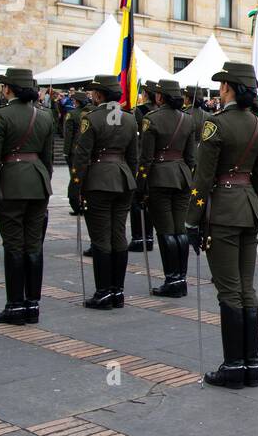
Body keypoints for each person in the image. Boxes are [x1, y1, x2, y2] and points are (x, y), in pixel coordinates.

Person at [185, 62, 258, 387]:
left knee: (229, 291)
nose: (220, 90)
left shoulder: (215, 125)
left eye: (222, 85)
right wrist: (254, 208)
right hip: (249, 208)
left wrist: (193, 219)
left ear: (229, 88)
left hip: (222, 209)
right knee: (247, 288)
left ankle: (234, 366)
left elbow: (203, 178)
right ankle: (252, 364)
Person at [0, 68, 55, 323]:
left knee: (13, 245)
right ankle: (32, 305)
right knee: (34, 245)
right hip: (38, 183)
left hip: (10, 185)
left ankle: (15, 306)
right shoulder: (45, 117)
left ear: (9, 89)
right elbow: (47, 160)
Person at [71, 74, 139, 309]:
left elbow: (82, 155)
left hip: (99, 180)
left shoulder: (92, 118)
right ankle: (117, 291)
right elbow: (134, 157)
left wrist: (76, 184)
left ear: (99, 95)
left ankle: (103, 292)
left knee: (101, 238)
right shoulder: (130, 119)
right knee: (118, 235)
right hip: (123, 179)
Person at [140, 79, 197, 297]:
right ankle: (181, 278)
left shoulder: (151, 119)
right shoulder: (188, 120)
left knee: (165, 231)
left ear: (159, 97)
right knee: (179, 230)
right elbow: (191, 158)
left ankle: (172, 279)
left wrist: (141, 186)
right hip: (182, 176)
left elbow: (146, 158)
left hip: (160, 177)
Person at [128, 84, 155, 254]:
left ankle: (139, 237)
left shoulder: (140, 111)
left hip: (143, 158)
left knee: (137, 200)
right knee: (150, 201)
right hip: (159, 162)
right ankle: (149, 237)